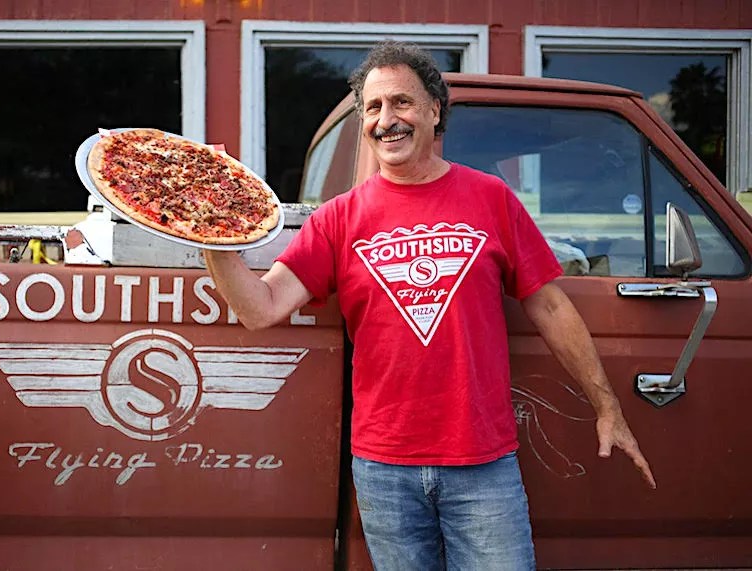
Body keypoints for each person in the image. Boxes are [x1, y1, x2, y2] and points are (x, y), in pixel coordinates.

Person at [205, 40, 656, 571]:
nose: (386, 120)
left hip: (483, 462)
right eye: (373, 107)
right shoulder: (337, 219)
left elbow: (551, 308)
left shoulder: (491, 198)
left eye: (402, 102)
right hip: (383, 466)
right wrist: (206, 229)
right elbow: (261, 308)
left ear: (435, 110)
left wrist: (607, 407)